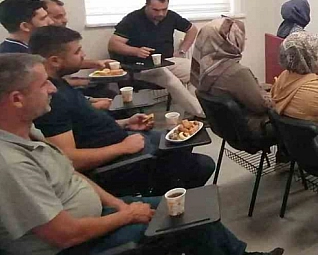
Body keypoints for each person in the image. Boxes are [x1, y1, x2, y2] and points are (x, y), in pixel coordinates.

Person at [0, 53, 285, 255]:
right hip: (67, 253)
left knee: (191, 208)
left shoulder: (28, 131)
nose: (52, 88)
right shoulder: (10, 165)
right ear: (16, 99)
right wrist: (125, 215)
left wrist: (118, 204)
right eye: (43, 84)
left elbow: (72, 175)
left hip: (95, 215)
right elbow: (64, 235)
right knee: (184, 210)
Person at [29, 26, 215, 192]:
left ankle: (171, 182)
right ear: (54, 61)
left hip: (124, 136)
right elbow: (68, 159)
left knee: (185, 144)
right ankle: (162, 201)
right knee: (203, 164)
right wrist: (122, 148)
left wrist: (125, 122)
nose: (84, 55)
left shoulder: (59, 84)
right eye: (78, 51)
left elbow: (83, 127)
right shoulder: (52, 99)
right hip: (119, 161)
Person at [107, 0, 203, 118]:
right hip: (142, 67)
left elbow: (192, 29)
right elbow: (113, 44)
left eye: (164, 9)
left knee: (198, 72)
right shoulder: (132, 19)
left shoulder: (170, 16)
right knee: (171, 80)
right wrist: (136, 51)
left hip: (167, 61)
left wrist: (182, 51)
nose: (161, 14)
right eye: (156, 10)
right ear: (146, 5)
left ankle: (192, 112)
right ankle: (201, 113)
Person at [191, 17, 276, 143]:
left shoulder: (205, 69)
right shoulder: (237, 72)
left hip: (226, 129)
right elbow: (261, 106)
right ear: (231, 40)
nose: (244, 39)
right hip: (252, 129)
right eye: (241, 36)